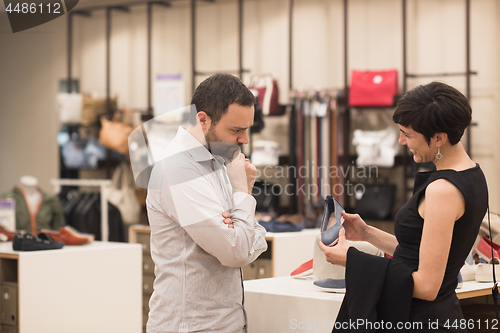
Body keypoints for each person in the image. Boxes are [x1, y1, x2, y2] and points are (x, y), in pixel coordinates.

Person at [320, 81, 488, 332]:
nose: (401, 140)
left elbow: (427, 286)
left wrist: (352, 260)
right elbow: (419, 255)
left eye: (408, 134)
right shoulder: (472, 174)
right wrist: (367, 234)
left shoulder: (443, 191)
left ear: (439, 138)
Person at [146, 74, 268, 333]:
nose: (245, 139)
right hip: (191, 326)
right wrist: (242, 192)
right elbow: (236, 251)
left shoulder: (218, 159)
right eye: (236, 130)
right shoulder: (178, 169)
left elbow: (247, 241)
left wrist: (240, 228)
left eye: (247, 129)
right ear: (203, 120)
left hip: (224, 322)